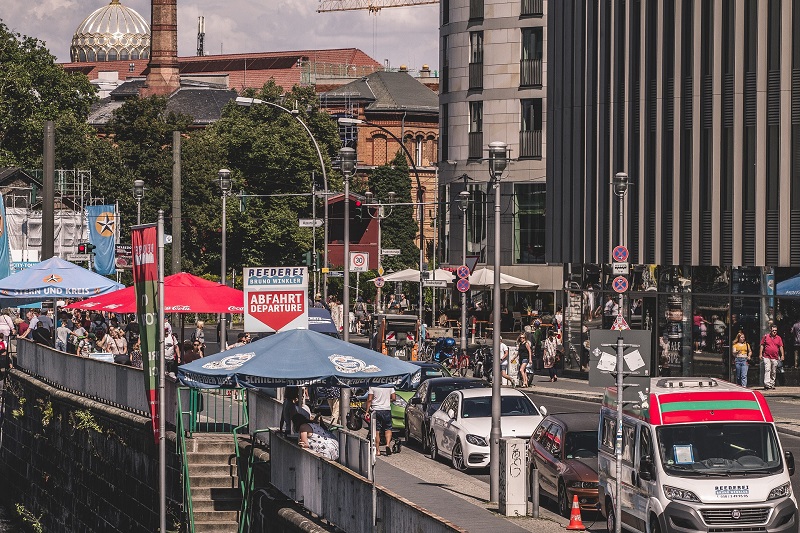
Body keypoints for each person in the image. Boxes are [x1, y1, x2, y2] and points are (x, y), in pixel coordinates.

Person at [365, 384, 396, 456]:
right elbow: (394, 398)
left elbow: (369, 399)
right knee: (388, 428)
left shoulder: (372, 385)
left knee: (376, 430)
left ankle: (378, 450)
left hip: (376, 410)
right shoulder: (390, 385)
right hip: (386, 409)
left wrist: (367, 411)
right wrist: (387, 401)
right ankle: (388, 444)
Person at [761, 324, 785, 390]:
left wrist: (782, 355)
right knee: (767, 369)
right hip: (767, 356)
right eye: (773, 330)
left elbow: (781, 346)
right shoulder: (766, 337)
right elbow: (762, 345)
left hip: (775, 357)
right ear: (770, 330)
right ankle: (767, 384)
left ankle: (772, 384)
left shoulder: (779, 338)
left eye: (775, 330)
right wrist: (760, 354)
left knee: (773, 371)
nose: (774, 332)